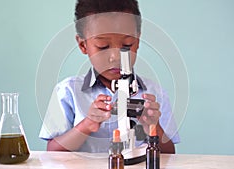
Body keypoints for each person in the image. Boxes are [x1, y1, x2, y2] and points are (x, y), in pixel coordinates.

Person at [39, 0, 180, 153]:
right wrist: (87, 125)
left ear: (137, 41)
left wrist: (153, 127)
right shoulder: (68, 92)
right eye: (103, 46)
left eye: (127, 45)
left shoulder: (154, 93)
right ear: (83, 45)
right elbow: (53, 152)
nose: (115, 57)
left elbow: (169, 153)